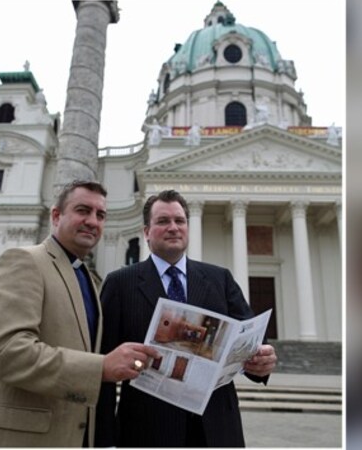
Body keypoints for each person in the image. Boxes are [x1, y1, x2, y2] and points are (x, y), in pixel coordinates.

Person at [0, 180, 160, 447]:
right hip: (22, 437)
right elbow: (8, 353)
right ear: (56, 215)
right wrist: (101, 367)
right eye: (83, 210)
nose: (93, 221)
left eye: (100, 215)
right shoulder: (23, 260)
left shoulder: (88, 278)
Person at [96, 190, 277, 447]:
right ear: (146, 231)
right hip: (147, 429)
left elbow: (252, 340)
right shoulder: (120, 283)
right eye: (163, 221)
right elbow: (102, 364)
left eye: (180, 221)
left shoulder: (219, 279)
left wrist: (262, 361)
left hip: (216, 428)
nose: (173, 228)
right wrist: (104, 438)